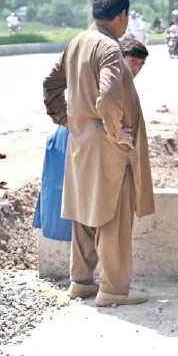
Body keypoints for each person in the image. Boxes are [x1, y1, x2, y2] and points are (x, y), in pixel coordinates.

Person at [43, 0, 154, 308]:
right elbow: (107, 97)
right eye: (126, 18)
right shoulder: (108, 47)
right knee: (115, 216)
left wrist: (65, 118)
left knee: (84, 211)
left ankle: (80, 281)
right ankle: (114, 290)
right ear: (121, 15)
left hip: (81, 141)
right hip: (108, 145)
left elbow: (50, 84)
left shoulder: (76, 42)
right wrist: (117, 131)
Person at [34, 39, 149, 244]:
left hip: (80, 137)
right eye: (133, 61)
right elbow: (100, 110)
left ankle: (81, 269)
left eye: (141, 64)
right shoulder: (107, 79)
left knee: (82, 204)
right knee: (77, 203)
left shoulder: (119, 82)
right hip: (77, 140)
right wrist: (113, 133)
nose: (137, 68)